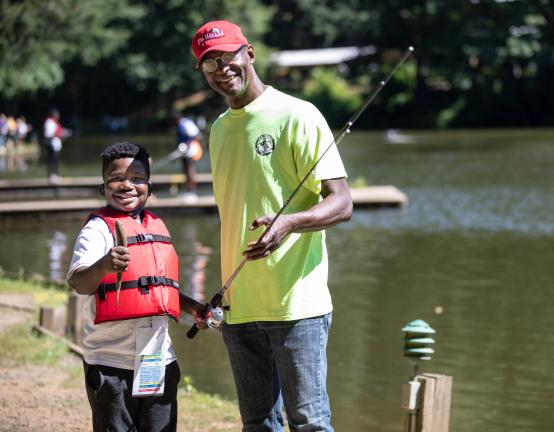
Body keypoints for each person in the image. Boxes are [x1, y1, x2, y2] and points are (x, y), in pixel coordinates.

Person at [192, 20, 353, 431]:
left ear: (249, 53)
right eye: (209, 63)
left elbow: (342, 203)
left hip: (296, 304)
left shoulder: (299, 115)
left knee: (309, 423)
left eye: (226, 56)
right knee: (258, 424)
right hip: (238, 303)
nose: (220, 68)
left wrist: (290, 222)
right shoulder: (217, 130)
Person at [67, 141, 208, 431]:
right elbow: (78, 281)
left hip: (157, 358)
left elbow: (160, 288)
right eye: (116, 179)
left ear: (150, 187)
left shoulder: (155, 225)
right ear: (103, 188)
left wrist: (193, 307)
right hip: (111, 363)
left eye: (137, 179)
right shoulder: (97, 230)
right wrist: (104, 265)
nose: (127, 186)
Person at [172, 112, 202, 201]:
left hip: (191, 152)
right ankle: (188, 190)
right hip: (184, 152)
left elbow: (198, 136)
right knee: (185, 171)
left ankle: (192, 192)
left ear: (176, 119)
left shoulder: (186, 124)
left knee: (190, 171)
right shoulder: (179, 125)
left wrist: (187, 145)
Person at [42, 108, 66, 183]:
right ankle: (51, 176)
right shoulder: (49, 122)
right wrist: (59, 134)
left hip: (55, 146)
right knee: (51, 161)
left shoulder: (54, 122)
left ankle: (56, 175)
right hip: (51, 145)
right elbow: (48, 134)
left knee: (56, 161)